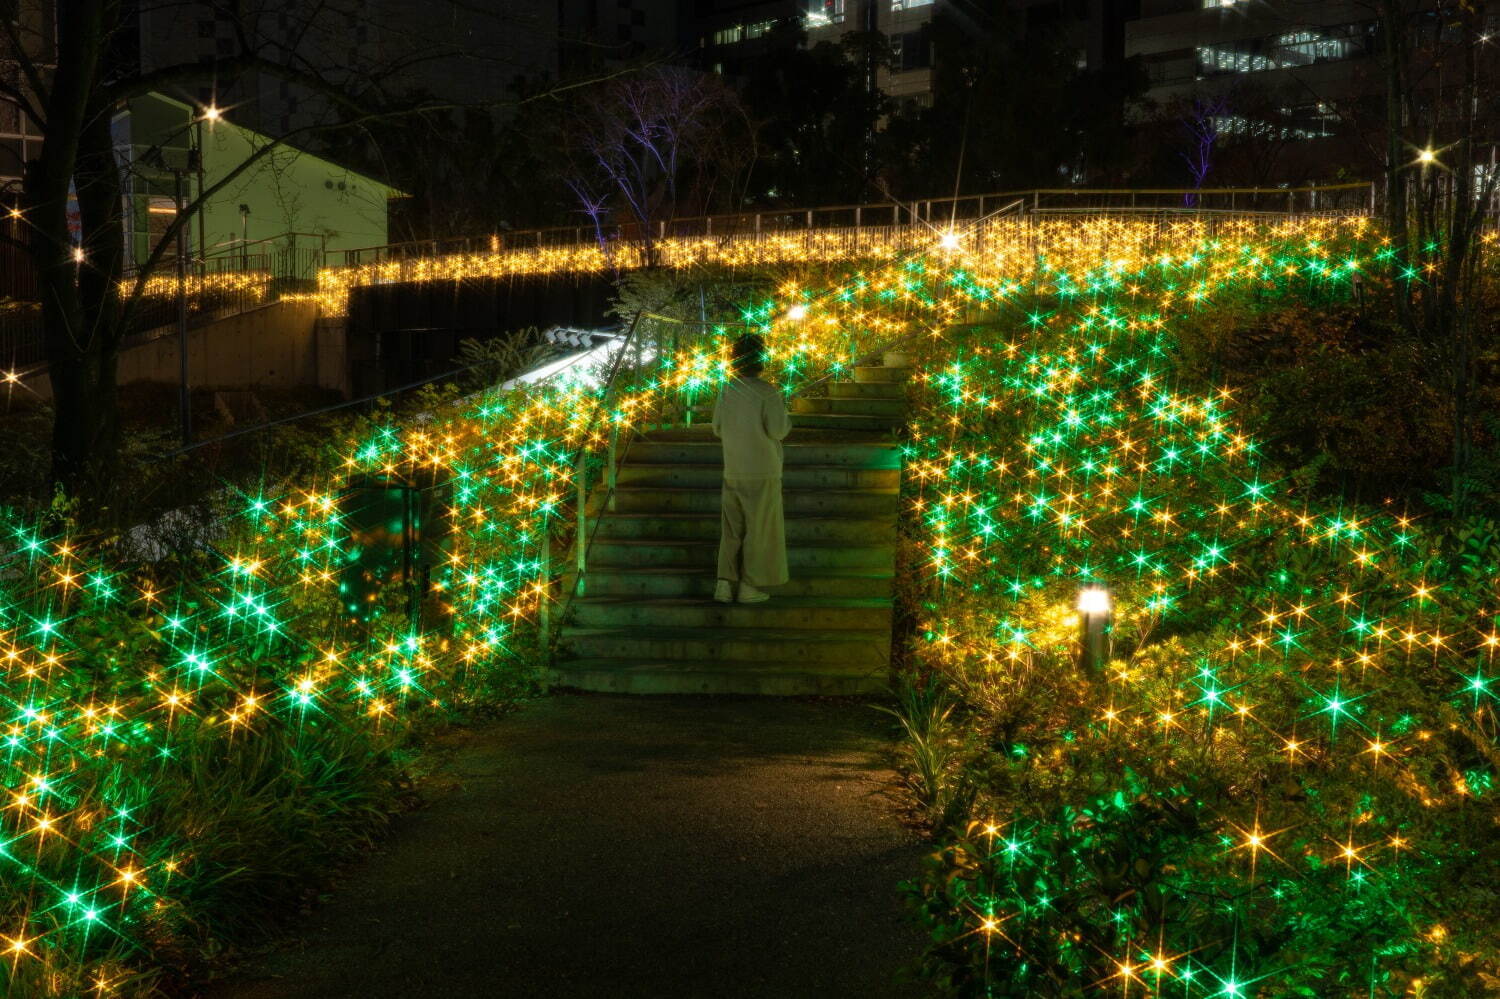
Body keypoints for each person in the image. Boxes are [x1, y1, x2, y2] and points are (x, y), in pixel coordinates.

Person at [711, 334, 791, 603]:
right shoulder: (768, 391)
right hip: (763, 470)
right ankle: (749, 585)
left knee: (731, 529)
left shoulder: (726, 390)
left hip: (733, 468)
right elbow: (778, 430)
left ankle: (724, 584)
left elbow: (717, 428)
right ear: (761, 359)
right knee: (759, 529)